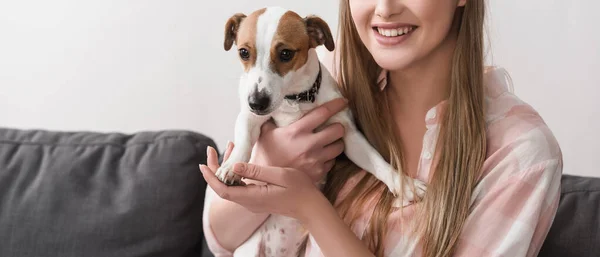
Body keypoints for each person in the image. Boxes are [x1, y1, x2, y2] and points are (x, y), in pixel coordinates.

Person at [200, 0, 563, 256]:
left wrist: (310, 206)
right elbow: (220, 238)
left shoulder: (520, 155)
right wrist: (269, 160)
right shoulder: (318, 72)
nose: (386, 7)